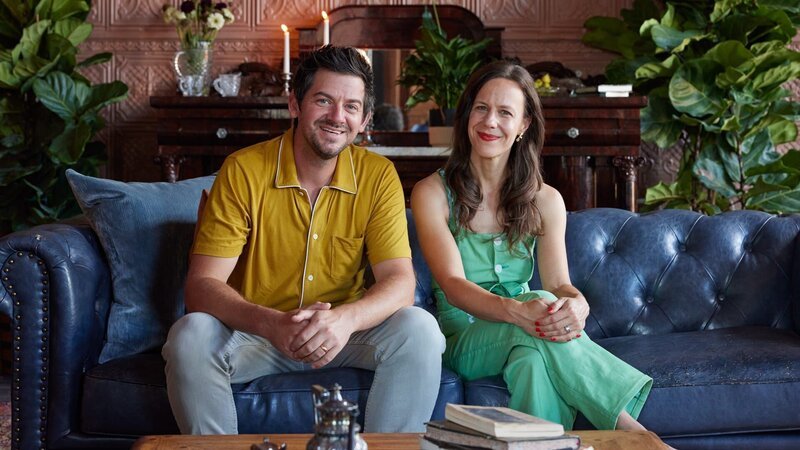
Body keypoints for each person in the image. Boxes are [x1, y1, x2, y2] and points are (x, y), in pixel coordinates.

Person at [162, 46, 445, 435]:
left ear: (363, 120)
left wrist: (344, 320)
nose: (336, 117)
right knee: (189, 335)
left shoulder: (378, 176)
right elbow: (201, 286)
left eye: (350, 107)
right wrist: (273, 323)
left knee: (420, 329)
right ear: (295, 104)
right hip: (257, 334)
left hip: (343, 335)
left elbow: (400, 280)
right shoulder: (243, 170)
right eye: (324, 100)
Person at [410, 60, 653, 432]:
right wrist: (518, 310)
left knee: (531, 361)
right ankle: (632, 431)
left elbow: (559, 284)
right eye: (481, 108)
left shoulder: (545, 200)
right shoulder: (431, 194)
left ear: (523, 125)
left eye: (505, 112)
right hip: (465, 337)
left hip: (528, 328)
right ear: (467, 115)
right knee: (534, 306)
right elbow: (454, 286)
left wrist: (577, 303)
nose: (490, 122)